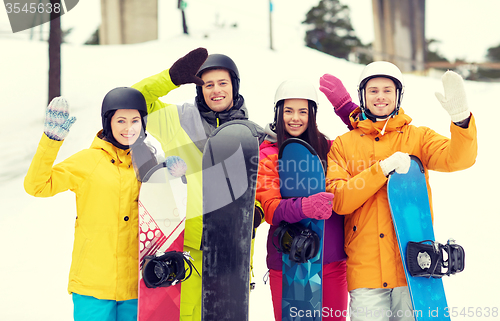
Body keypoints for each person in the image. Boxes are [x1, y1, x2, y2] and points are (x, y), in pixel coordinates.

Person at [325, 61, 478, 321]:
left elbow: (459, 159)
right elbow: (340, 201)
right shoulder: (343, 145)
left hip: (412, 267)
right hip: (366, 272)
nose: (380, 96)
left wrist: (461, 120)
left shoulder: (417, 138)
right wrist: (380, 170)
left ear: (398, 95)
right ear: (362, 96)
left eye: (387, 90)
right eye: (373, 91)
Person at [131, 48, 265, 321]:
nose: (216, 90)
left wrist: (257, 209)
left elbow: (262, 184)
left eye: (222, 83)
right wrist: (170, 78)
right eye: (208, 84)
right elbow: (131, 103)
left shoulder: (251, 135)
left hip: (231, 252)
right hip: (187, 250)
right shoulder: (176, 120)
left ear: (234, 86)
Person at [24, 87, 154, 321]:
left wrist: (174, 176)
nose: (128, 128)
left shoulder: (147, 163)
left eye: (135, 120)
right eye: (121, 120)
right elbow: (37, 186)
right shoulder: (88, 161)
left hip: (137, 287)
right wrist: (50, 142)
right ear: (108, 122)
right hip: (93, 287)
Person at [256, 78, 357, 321]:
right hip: (289, 260)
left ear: (312, 115)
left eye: (303, 111)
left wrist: (346, 108)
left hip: (332, 260)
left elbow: (367, 138)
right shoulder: (268, 153)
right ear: (278, 112)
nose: (295, 118)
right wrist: (304, 207)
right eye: (288, 111)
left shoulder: (331, 148)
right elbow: (270, 208)